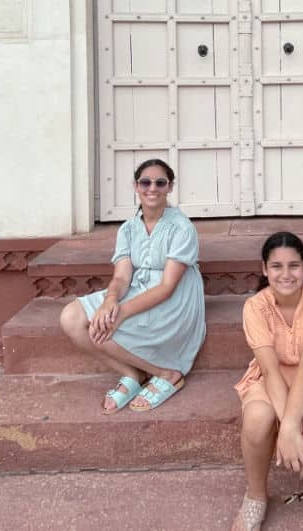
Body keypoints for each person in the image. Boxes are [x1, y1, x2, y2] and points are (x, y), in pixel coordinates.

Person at [60, 158, 206, 414]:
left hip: (173, 298)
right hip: (136, 288)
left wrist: (122, 313)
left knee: (106, 324)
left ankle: (167, 373)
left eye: (160, 183)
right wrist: (110, 301)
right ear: (136, 186)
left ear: (170, 187)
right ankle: (132, 373)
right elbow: (122, 276)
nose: (153, 188)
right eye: (145, 182)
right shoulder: (127, 229)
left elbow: (167, 287)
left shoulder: (182, 228)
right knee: (71, 317)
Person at [232, 232, 303, 531]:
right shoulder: (256, 307)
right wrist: (288, 430)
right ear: (264, 269)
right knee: (258, 417)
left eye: (293, 266)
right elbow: (270, 371)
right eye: (276, 266)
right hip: (270, 377)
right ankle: (256, 496)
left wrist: (291, 428)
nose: (286, 275)